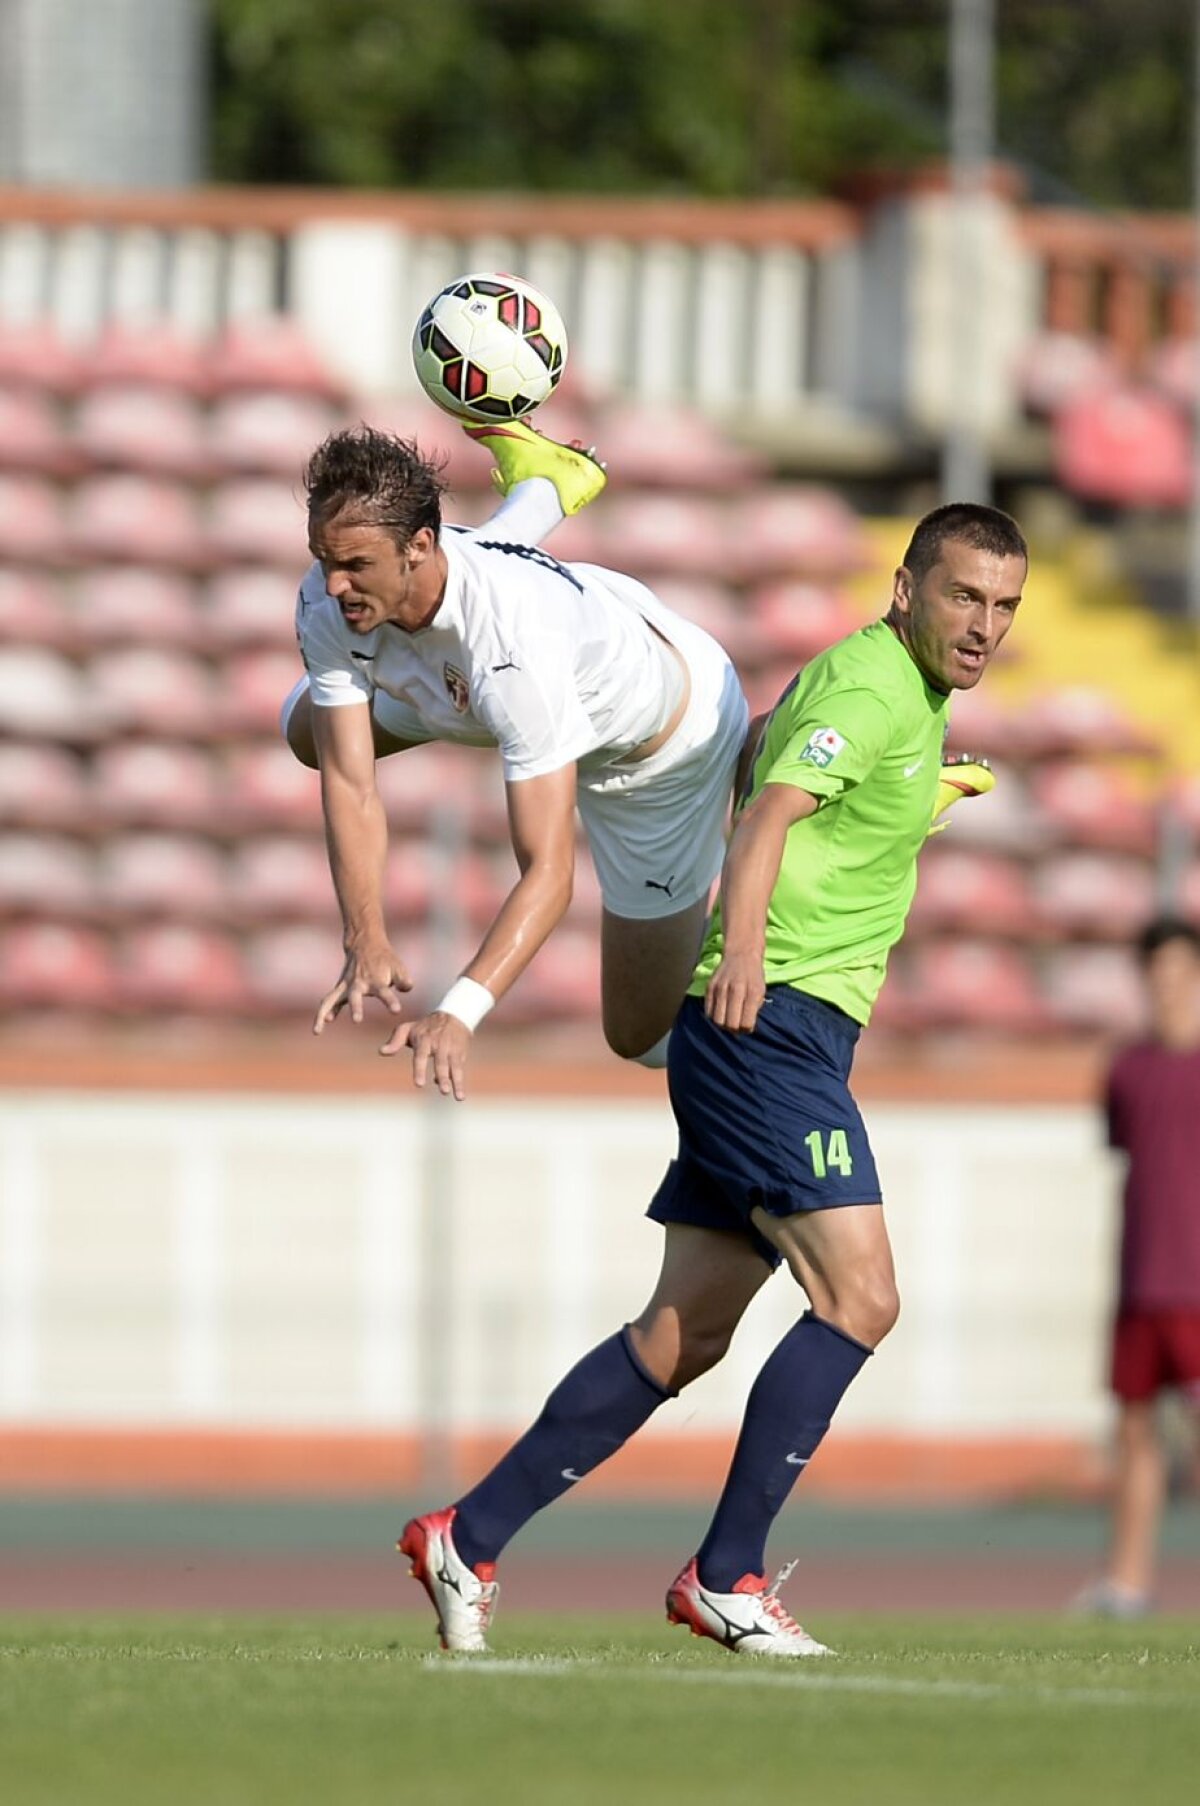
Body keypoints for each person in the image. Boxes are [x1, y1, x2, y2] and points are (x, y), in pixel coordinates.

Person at [397, 499, 1029, 1656]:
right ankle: (727, 1573)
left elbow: (795, 786)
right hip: (767, 1023)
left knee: (680, 1336)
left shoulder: (910, 698)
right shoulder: (876, 683)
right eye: (963, 597)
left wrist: (919, 803)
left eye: (1003, 606)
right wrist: (740, 954)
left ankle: (466, 1534)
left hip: (779, 1030)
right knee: (862, 1298)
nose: (984, 624)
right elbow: (770, 812)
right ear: (905, 590)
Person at [283, 418, 749, 1090]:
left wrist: (461, 1009)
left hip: (655, 751)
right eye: (325, 559)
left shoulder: (511, 651)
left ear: (418, 546)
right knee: (308, 734)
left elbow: (549, 873)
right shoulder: (332, 596)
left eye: (355, 566)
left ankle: (768, 763)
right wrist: (365, 937)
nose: (333, 585)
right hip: (490, 670)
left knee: (639, 1036)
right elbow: (351, 786)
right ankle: (547, 486)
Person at [1074, 916, 1200, 1619]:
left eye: (1182, 972)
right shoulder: (1126, 1067)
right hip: (1142, 1278)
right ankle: (1126, 1583)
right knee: (1135, 1433)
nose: (1169, 987)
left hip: (1197, 1282)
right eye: (1158, 973)